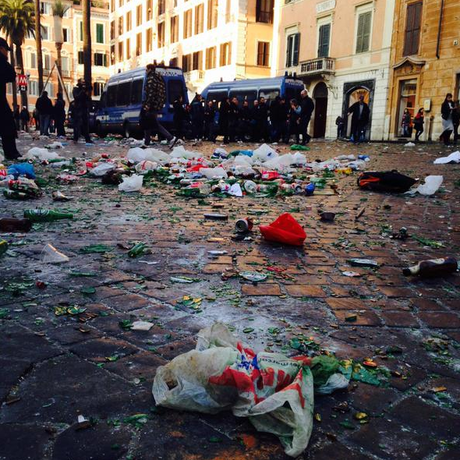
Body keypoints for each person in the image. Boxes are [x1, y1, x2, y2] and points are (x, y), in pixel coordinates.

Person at [140, 65, 177, 148]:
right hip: (157, 105)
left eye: (146, 69)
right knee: (148, 123)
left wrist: (147, 105)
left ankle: (170, 137)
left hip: (151, 105)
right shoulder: (158, 78)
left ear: (150, 69)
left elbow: (150, 93)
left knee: (153, 123)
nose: (146, 71)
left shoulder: (151, 79)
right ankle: (147, 142)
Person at [0, 37, 21, 159]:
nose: (7, 53)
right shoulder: (2, 60)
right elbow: (11, 75)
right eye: (6, 51)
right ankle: (11, 153)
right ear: (1, 49)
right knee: (7, 125)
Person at [72, 78, 92, 143]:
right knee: (77, 124)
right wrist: (82, 91)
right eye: (82, 83)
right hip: (78, 109)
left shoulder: (84, 90)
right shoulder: (76, 89)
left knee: (86, 124)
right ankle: (76, 138)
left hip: (84, 108)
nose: (83, 84)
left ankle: (87, 139)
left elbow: (88, 98)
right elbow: (76, 97)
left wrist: (87, 91)